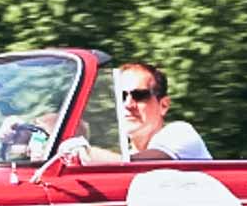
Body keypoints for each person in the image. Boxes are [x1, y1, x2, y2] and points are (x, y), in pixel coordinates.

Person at [60, 61, 211, 164]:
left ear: (164, 105)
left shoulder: (180, 133)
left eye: (140, 95)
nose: (128, 104)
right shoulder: (125, 154)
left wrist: (85, 152)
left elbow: (135, 165)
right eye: (121, 96)